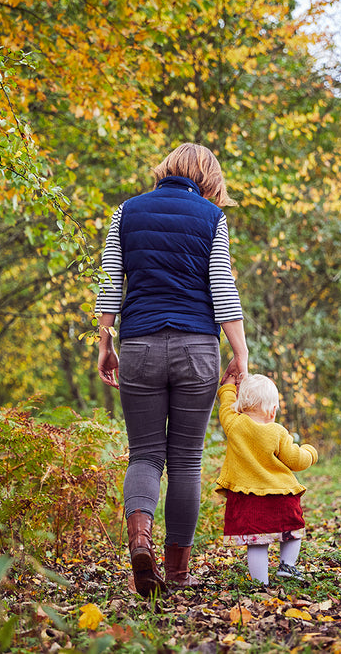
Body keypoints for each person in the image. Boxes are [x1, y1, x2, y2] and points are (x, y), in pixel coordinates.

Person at [95, 143, 249, 597]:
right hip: (197, 349)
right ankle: (177, 575)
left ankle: (138, 541)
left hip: (139, 343)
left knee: (144, 454)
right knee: (185, 461)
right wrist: (239, 351)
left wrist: (105, 341)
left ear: (166, 170)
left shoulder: (126, 211)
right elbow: (221, 283)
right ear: (207, 179)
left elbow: (111, 278)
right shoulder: (210, 217)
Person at [215, 373, 318, 584]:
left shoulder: (235, 425)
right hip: (281, 496)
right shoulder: (277, 432)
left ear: (241, 405)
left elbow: (225, 407)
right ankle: (287, 565)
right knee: (292, 531)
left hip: (248, 497)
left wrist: (227, 386)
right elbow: (296, 460)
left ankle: (260, 582)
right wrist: (310, 452)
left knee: (256, 542)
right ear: (272, 411)